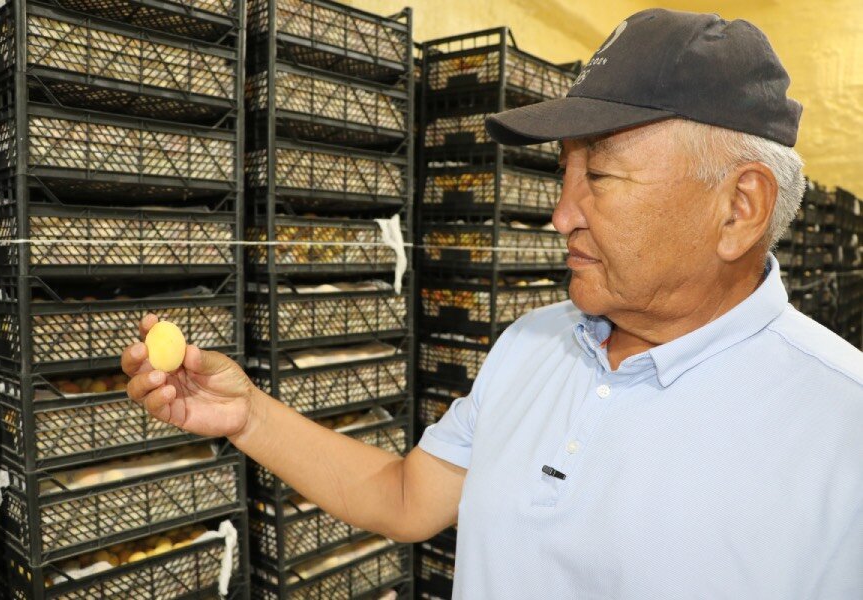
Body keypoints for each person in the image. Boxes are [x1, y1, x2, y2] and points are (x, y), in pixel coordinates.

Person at [122, 8, 863, 599]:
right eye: (562, 174)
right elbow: (407, 499)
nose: (561, 214)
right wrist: (248, 413)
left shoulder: (841, 431)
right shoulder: (534, 343)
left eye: (599, 177)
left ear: (739, 208)